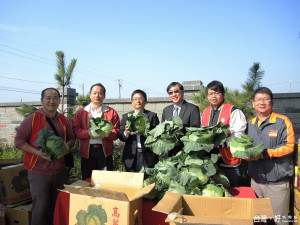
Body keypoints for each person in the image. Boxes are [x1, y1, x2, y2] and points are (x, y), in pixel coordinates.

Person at [14, 88, 75, 225]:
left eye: (55, 98)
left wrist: (66, 147)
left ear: (59, 101)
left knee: (57, 208)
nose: (52, 101)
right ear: (42, 100)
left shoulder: (63, 120)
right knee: (40, 210)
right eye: (48, 98)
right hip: (38, 172)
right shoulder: (32, 118)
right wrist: (37, 152)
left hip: (59, 172)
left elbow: (72, 138)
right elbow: (18, 141)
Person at [246, 87, 295, 225]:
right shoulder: (249, 124)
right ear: (253, 103)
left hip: (277, 184)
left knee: (279, 221)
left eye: (266, 99)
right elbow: (246, 148)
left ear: (272, 102)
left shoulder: (282, 121)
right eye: (259, 99)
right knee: (259, 221)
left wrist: (265, 154)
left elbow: (289, 147)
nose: (262, 102)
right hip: (256, 183)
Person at [201, 80, 247, 187]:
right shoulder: (205, 111)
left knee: (233, 188)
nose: (213, 96)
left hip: (229, 158)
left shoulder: (233, 111)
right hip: (211, 160)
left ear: (223, 94)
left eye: (216, 93)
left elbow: (238, 135)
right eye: (210, 94)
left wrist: (221, 144)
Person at [72, 83, 120, 180]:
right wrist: (88, 133)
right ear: (90, 95)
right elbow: (75, 130)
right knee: (87, 180)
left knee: (106, 181)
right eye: (94, 93)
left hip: (105, 151)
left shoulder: (111, 112)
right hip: (87, 151)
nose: (97, 96)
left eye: (100, 93)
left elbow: (116, 131)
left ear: (104, 96)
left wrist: (106, 134)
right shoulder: (81, 112)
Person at [119, 89, 159, 172]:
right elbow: (121, 136)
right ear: (131, 101)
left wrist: (144, 133)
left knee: (147, 181)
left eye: (140, 98)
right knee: (132, 182)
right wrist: (126, 132)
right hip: (131, 156)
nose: (138, 101)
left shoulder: (152, 116)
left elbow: (157, 135)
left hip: (148, 155)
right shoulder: (126, 116)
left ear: (145, 101)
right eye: (135, 99)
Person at [162, 82, 200, 156]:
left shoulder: (192, 109)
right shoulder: (166, 110)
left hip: (185, 151)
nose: (173, 95)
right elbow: (163, 129)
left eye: (176, 91)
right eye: (170, 93)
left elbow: (195, 130)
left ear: (182, 92)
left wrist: (180, 140)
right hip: (169, 152)